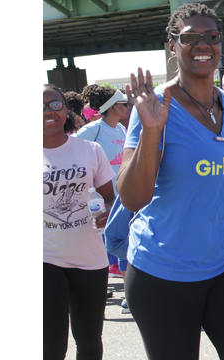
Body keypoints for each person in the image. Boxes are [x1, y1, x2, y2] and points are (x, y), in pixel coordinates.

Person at [116, 2, 224, 360]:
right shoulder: (153, 107)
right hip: (163, 271)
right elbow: (133, 198)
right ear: (172, 46)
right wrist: (152, 131)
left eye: (211, 36)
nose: (202, 44)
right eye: (189, 37)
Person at [44, 84, 116, 360]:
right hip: (45, 256)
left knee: (88, 339)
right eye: (40, 106)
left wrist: (106, 211)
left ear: (66, 109)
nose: (48, 112)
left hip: (90, 257)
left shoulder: (90, 150)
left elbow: (110, 198)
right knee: (50, 342)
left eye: (55, 104)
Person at [74, 85, 133, 311]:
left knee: (123, 244)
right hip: (100, 201)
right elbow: (73, 151)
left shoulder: (120, 128)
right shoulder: (92, 130)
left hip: (124, 197)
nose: (127, 107)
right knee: (98, 248)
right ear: (111, 107)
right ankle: (90, 293)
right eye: (122, 103)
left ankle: (129, 295)